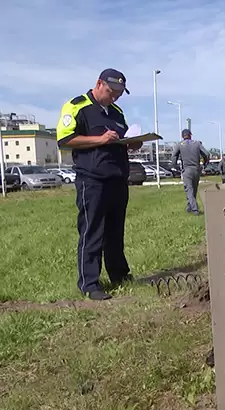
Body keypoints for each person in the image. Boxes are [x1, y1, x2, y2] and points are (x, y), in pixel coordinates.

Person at [56, 68, 142, 301]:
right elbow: (64, 140)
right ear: (99, 84)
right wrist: (100, 139)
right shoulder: (77, 107)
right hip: (92, 180)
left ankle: (119, 275)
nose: (115, 96)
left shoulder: (116, 112)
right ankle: (89, 283)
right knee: (92, 230)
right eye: (112, 91)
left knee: (115, 232)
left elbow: (121, 139)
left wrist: (131, 144)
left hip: (118, 179)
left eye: (120, 93)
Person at [171, 129, 210, 215]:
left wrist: (175, 167)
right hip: (196, 169)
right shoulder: (197, 143)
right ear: (190, 135)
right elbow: (207, 154)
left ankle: (195, 210)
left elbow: (173, 156)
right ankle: (189, 208)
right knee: (194, 190)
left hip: (187, 170)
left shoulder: (180, 145)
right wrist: (204, 164)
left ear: (182, 136)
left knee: (189, 190)